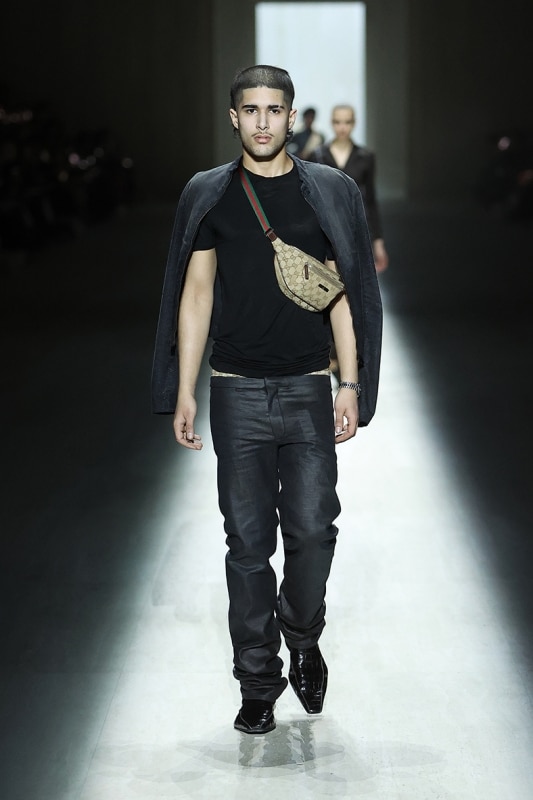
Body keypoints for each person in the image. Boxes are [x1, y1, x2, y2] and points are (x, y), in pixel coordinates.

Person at [151, 65, 382, 735]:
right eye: (249, 110)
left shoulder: (326, 192)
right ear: (233, 117)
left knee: (313, 530)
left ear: (289, 115)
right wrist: (185, 389)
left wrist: (348, 382)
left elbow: (339, 293)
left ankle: (302, 633)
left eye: (273, 110)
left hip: (308, 387)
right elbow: (196, 294)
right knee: (247, 545)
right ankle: (257, 682)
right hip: (235, 392)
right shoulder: (210, 194)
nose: (261, 121)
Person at [309, 104, 389, 273]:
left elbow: (370, 200)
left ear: (354, 123)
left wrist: (378, 241)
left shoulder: (366, 157)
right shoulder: (318, 156)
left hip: (356, 229)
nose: (342, 127)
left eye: (347, 122)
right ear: (332, 123)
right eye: (337, 122)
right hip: (325, 230)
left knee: (356, 282)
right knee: (327, 283)